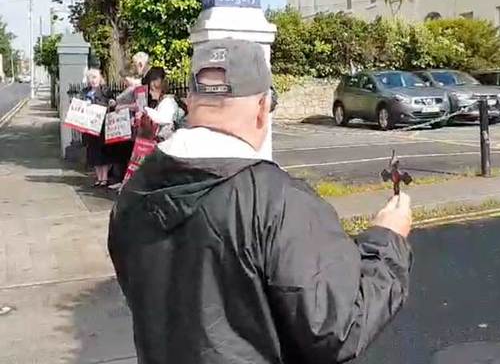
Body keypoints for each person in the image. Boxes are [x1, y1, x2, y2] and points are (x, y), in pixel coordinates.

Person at [108, 39, 413, 364]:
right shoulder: (278, 202)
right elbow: (337, 329)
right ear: (261, 109)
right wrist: (386, 240)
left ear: (190, 100)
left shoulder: (135, 191)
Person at [82, 69, 116, 187]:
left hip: (102, 126)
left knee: (103, 151)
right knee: (93, 152)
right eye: (90, 77)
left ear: (100, 78)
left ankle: (104, 178)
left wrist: (110, 103)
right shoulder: (85, 91)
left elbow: (111, 102)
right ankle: (99, 177)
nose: (93, 80)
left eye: (95, 77)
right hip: (90, 126)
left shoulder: (105, 90)